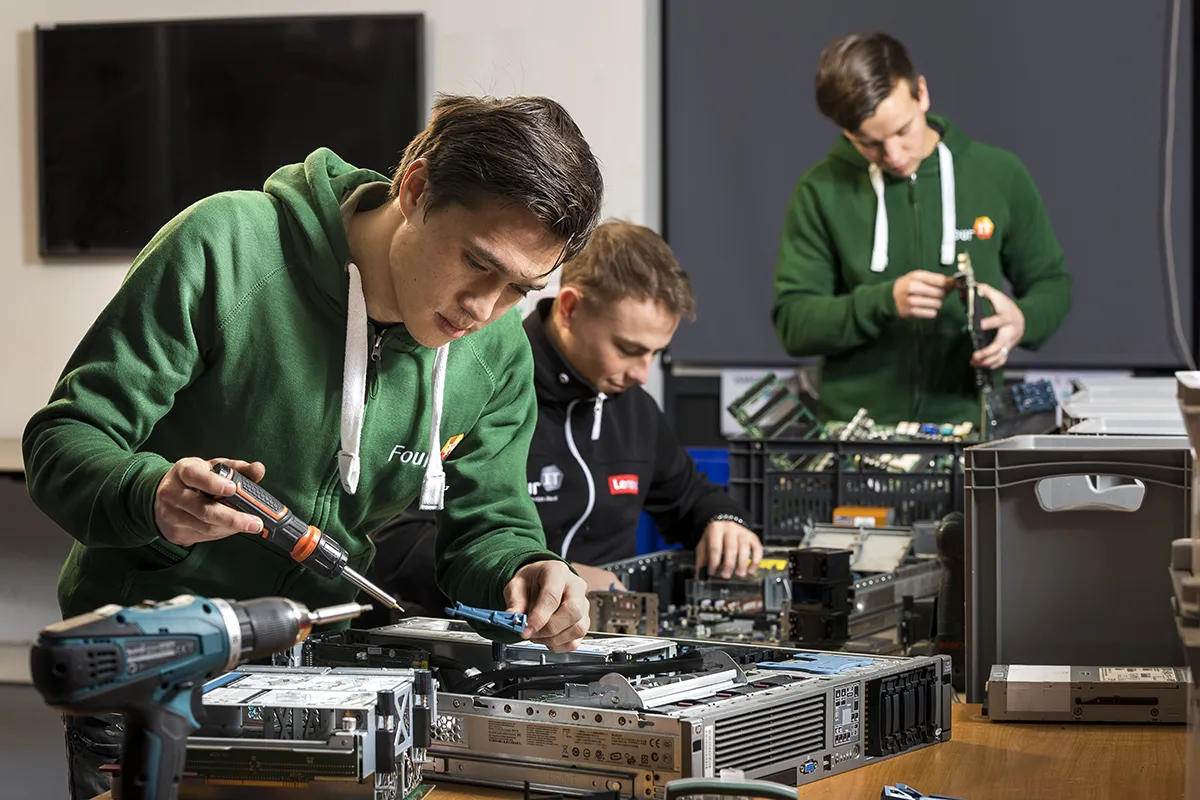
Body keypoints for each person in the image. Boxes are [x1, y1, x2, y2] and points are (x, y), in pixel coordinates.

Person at [22, 93, 604, 800]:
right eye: (478, 264)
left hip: (323, 675)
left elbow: (491, 526)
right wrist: (152, 495)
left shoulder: (499, 352)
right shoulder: (227, 246)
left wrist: (529, 567)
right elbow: (63, 440)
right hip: (154, 666)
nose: (486, 310)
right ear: (415, 189)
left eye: (520, 287)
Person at [366, 220, 763, 618]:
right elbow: (395, 538)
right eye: (628, 349)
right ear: (570, 308)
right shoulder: (481, 387)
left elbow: (690, 496)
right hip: (477, 634)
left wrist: (722, 520)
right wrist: (542, 577)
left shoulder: (634, 409)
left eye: (655, 353)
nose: (643, 373)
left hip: (604, 647)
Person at [772, 32, 1072, 426]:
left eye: (902, 131)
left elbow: (1052, 285)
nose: (893, 156)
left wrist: (1022, 320)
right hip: (856, 436)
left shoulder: (998, 174)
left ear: (922, 94)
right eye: (869, 143)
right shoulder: (821, 189)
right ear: (846, 132)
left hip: (970, 430)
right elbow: (795, 324)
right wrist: (882, 303)